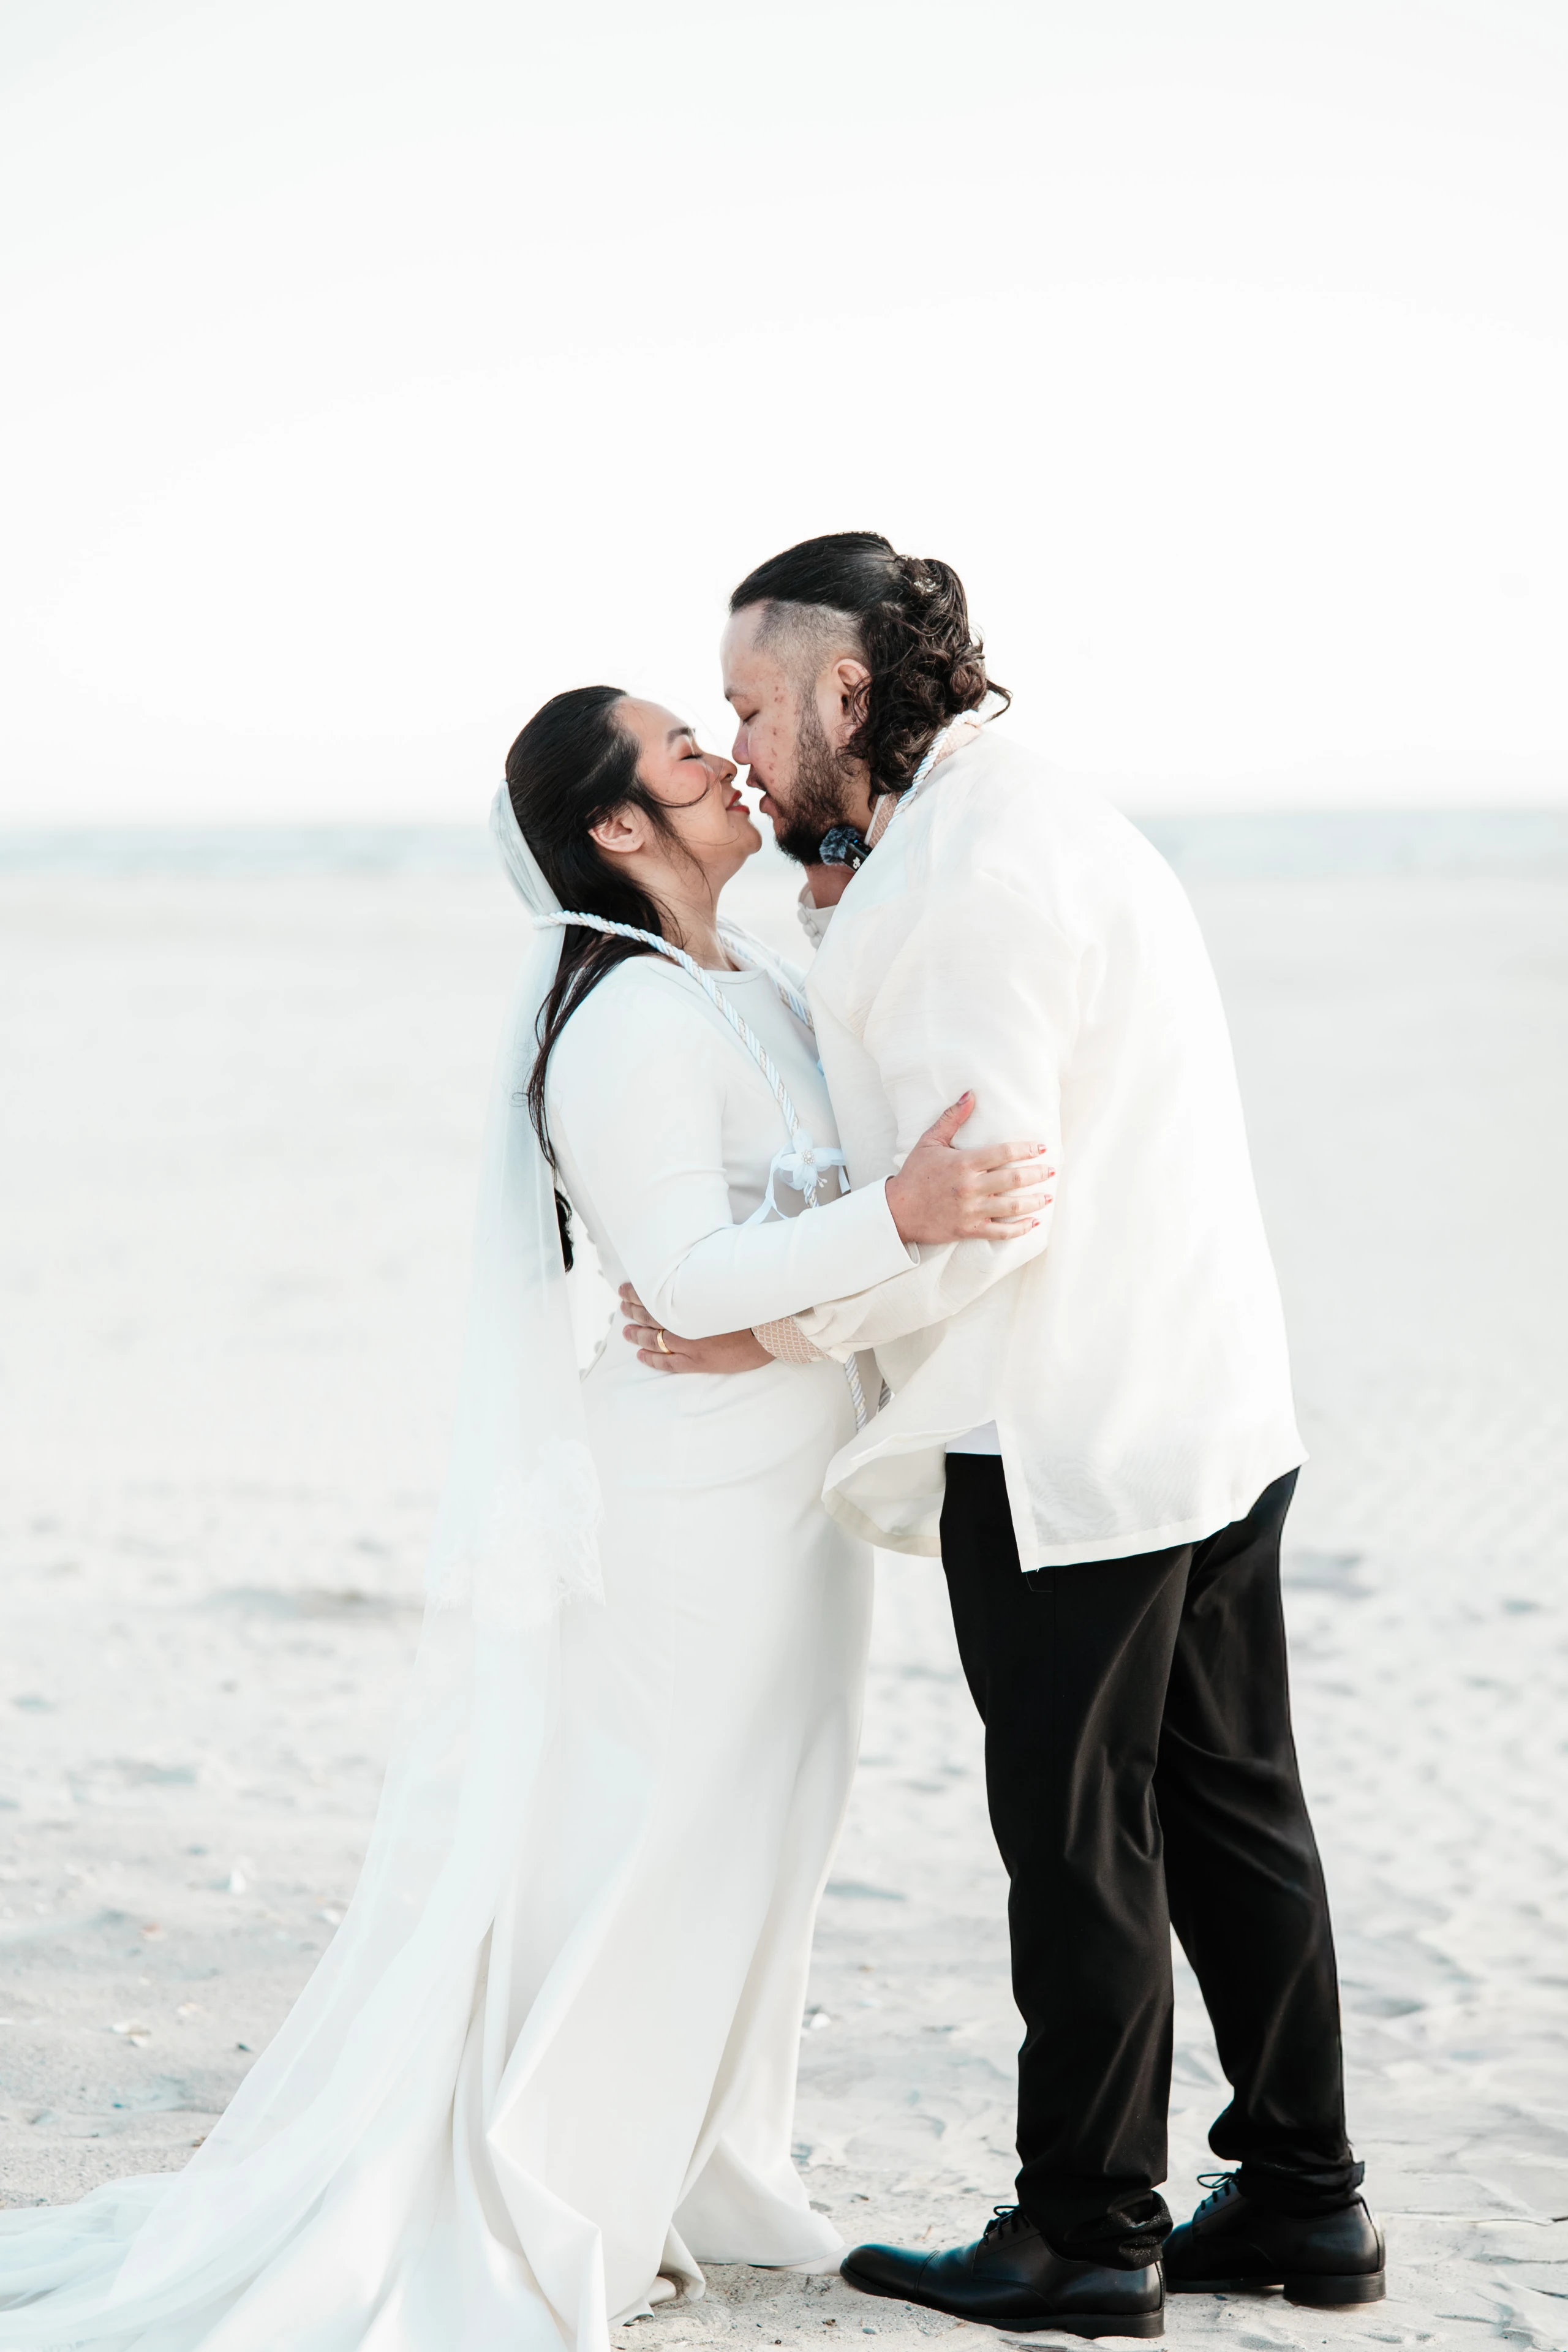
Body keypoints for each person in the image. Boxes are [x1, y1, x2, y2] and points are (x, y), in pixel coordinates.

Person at [0, 685, 1049, 2352]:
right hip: (687, 1505)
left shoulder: (750, 983)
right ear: (619, 829)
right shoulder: (627, 1018)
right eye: (682, 754)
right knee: (660, 1839)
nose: (724, 756)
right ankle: (566, 2180)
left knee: (770, 1825)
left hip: (790, 1498)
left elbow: (792, 1235)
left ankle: (709, 2166)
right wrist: (902, 1215)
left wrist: (888, 1214)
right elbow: (685, 1277)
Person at [620, 535, 1384, 2340]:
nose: (738, 740)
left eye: (747, 703)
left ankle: (1088, 2232)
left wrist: (764, 1323)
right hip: (1203, 1394)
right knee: (1233, 1807)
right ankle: (1304, 2200)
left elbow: (983, 1203)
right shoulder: (1023, 814)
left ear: (847, 693)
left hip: (1058, 1428)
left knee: (1079, 1833)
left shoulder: (962, 879)